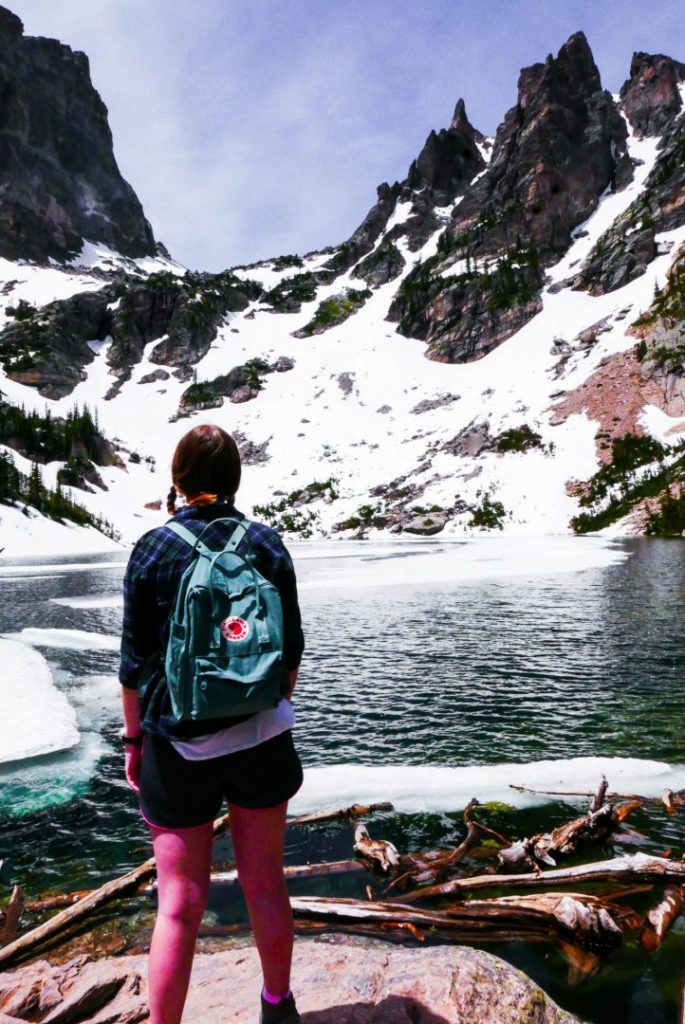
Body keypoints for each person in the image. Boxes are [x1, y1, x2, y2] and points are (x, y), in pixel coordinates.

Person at [119, 424, 304, 1024]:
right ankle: (277, 1006)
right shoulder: (266, 543)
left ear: (177, 480)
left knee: (178, 901)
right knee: (264, 880)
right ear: (234, 481)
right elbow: (291, 649)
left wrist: (134, 741)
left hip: (177, 744)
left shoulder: (153, 548)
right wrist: (260, 703)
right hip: (263, 737)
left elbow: (131, 665)